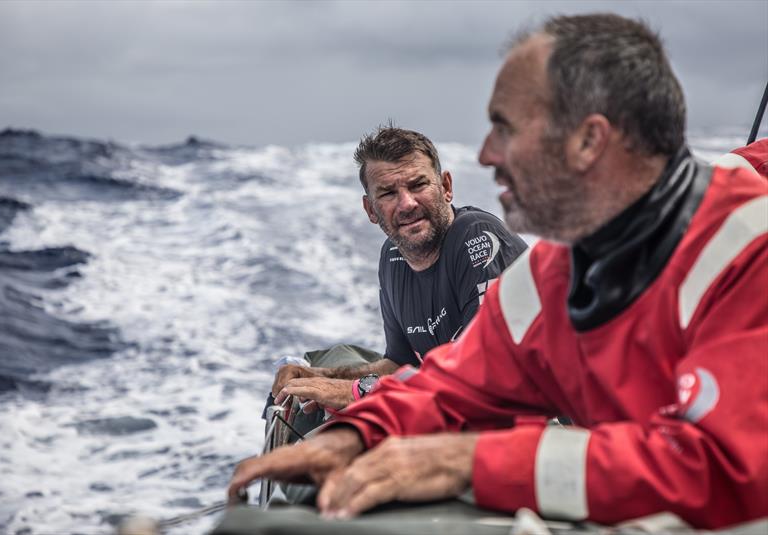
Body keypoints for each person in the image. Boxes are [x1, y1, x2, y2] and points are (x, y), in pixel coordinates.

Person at [229, 13, 768, 529]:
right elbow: (454, 384)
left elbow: (722, 471)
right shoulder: (554, 274)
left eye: (505, 130)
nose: (486, 156)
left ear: (588, 141)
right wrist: (352, 436)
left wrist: (464, 462)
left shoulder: (749, 251)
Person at [270, 126, 526, 413]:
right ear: (370, 210)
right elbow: (398, 366)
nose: (407, 203)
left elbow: (487, 374)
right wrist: (318, 380)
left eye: (418, 185)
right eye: (389, 193)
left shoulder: (479, 238)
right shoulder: (393, 258)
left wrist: (358, 392)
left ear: (446, 188)